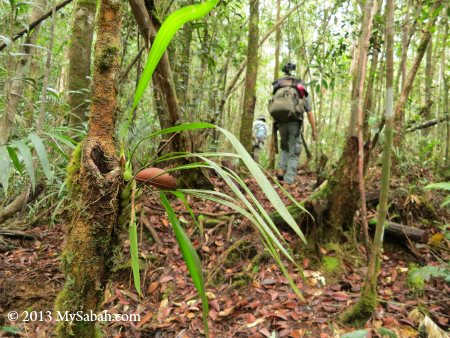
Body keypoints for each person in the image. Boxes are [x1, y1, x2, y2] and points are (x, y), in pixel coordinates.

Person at [271, 63, 317, 186]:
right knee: (295, 152)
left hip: (280, 123)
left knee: (285, 148)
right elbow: (309, 111)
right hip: (294, 122)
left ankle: (280, 171)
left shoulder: (278, 86)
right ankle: (289, 180)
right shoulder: (299, 86)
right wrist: (314, 129)